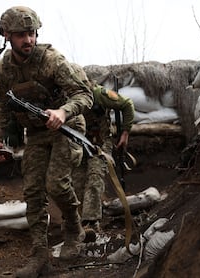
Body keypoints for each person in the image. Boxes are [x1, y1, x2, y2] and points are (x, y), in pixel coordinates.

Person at [0, 6, 93, 278]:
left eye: (32, 33)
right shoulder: (3, 70)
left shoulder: (52, 60)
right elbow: (3, 107)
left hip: (68, 129)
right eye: (21, 35)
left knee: (56, 184)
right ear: (6, 36)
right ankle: (39, 255)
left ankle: (74, 229)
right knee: (33, 192)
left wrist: (63, 112)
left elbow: (84, 95)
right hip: (35, 133)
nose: (29, 40)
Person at [70, 63, 135, 232]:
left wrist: (125, 133)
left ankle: (91, 223)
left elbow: (127, 104)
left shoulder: (98, 93)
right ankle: (75, 224)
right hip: (78, 146)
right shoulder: (66, 98)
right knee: (75, 182)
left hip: (99, 143)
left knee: (94, 176)